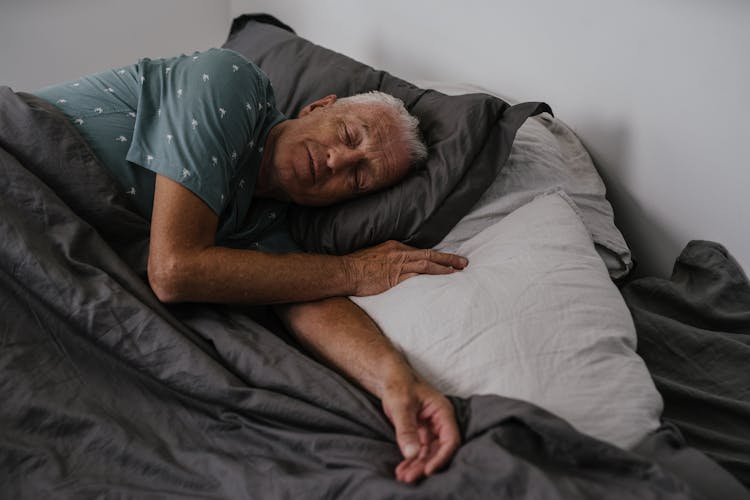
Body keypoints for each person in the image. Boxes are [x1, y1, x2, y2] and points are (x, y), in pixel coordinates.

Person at [34, 47, 468, 483]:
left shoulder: (266, 227)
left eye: (357, 179)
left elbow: (308, 298)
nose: (338, 161)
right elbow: (174, 270)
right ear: (319, 107)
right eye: (349, 136)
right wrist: (353, 270)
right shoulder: (231, 81)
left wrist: (399, 384)